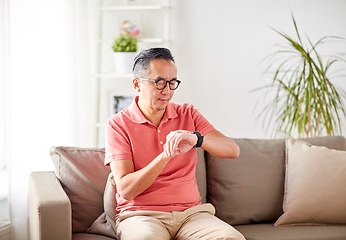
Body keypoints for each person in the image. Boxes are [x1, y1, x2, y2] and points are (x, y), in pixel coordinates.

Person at [105, 48, 245, 240]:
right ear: (137, 84)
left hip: (191, 215)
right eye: (160, 83)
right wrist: (166, 154)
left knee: (231, 238)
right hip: (142, 215)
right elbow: (127, 190)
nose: (167, 91)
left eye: (172, 83)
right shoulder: (118, 124)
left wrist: (197, 139)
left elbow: (232, 150)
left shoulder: (187, 113)